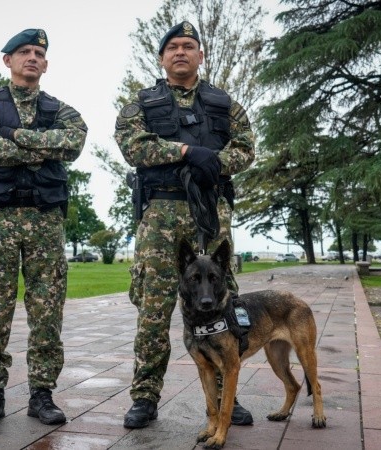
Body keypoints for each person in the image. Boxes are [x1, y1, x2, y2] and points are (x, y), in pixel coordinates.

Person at [114, 21, 256, 429]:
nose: (180, 52)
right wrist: (186, 151)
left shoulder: (223, 103)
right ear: (161, 57)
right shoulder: (140, 104)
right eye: (173, 47)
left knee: (221, 305)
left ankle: (225, 395)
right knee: (154, 310)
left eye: (188, 46)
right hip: (161, 214)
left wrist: (213, 161)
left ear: (200, 55)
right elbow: (132, 146)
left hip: (211, 211)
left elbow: (246, 147)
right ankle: (144, 397)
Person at [0, 28, 88, 429]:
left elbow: (74, 143)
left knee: (47, 309)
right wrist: (39, 148)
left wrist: (13, 136)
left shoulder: (60, 109)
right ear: (8, 60)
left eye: (38, 53)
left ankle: (42, 394)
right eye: (23, 52)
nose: (32, 57)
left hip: (45, 219)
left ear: (45, 64)